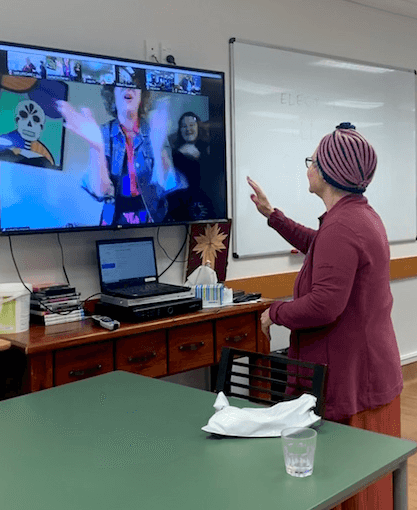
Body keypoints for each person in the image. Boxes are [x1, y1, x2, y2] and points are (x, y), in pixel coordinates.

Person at [248, 122, 403, 510]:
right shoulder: (357, 217)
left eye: (312, 161)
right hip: (366, 370)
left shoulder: (344, 225)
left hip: (350, 380)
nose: (308, 168)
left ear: (328, 172)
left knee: (348, 486)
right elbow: (319, 246)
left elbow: (324, 305)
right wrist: (273, 215)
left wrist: (275, 313)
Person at [56, 77, 185, 225]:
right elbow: (101, 192)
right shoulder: (102, 132)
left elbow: (165, 184)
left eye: (134, 85)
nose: (128, 88)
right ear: (113, 96)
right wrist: (96, 147)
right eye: (121, 85)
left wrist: (158, 146)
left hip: (153, 219)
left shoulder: (155, 131)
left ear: (142, 96)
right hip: (113, 220)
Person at [166, 112, 215, 221]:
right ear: (180, 130)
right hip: (182, 212)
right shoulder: (174, 154)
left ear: (198, 127)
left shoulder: (209, 149)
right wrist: (180, 152)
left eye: (192, 125)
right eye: (184, 126)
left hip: (209, 211)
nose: (188, 129)